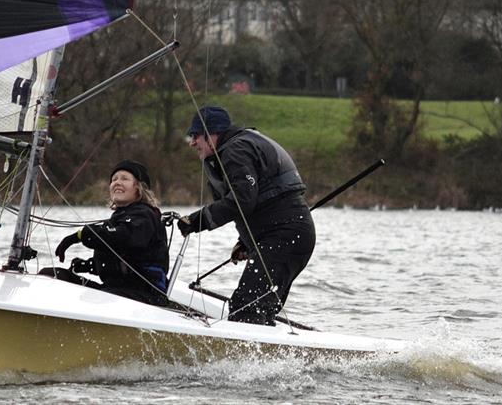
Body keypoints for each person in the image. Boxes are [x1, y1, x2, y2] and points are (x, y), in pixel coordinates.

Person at [178, 105, 315, 326]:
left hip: (285, 235)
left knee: (247, 306)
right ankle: (266, 356)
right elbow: (254, 202)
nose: (192, 142)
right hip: (288, 235)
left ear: (212, 134)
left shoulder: (235, 151)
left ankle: (244, 358)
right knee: (258, 307)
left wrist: (196, 221)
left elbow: (242, 200)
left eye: (195, 135)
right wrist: (245, 242)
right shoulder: (232, 150)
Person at [40, 160, 170, 307]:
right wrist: (89, 265)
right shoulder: (118, 219)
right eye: (114, 179)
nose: (117, 183)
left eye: (125, 179)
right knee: (51, 275)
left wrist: (81, 235)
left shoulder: (145, 216)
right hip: (115, 292)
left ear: (139, 188)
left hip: (145, 298)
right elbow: (119, 260)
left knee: (96, 300)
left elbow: (124, 238)